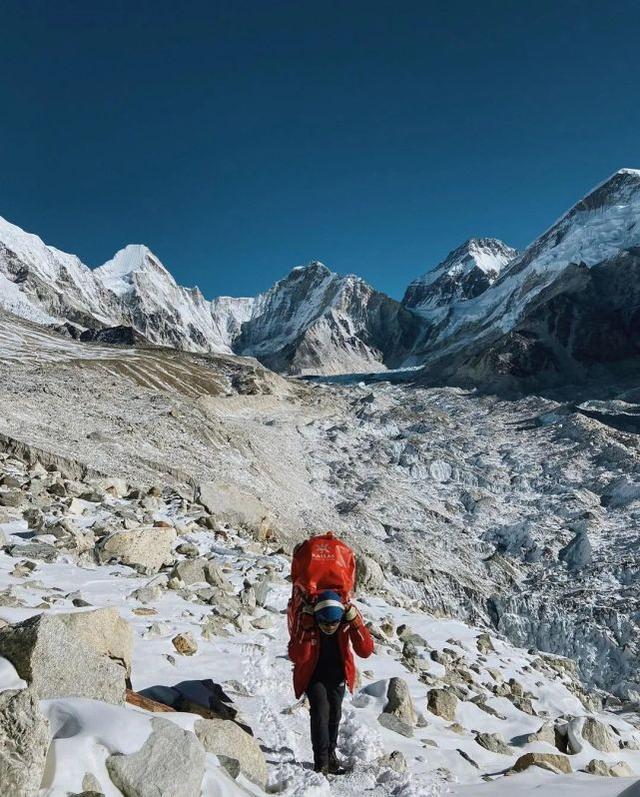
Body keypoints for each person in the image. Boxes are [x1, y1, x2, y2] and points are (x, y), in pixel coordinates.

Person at [288, 588, 374, 775]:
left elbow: (365, 651)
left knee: (334, 714)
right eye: (324, 623)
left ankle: (331, 756)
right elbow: (297, 656)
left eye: (333, 622)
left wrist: (356, 624)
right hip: (314, 674)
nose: (328, 627)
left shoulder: (346, 619)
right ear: (317, 616)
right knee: (320, 714)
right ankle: (321, 762)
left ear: (340, 617)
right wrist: (306, 627)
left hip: (337, 674)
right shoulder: (308, 621)